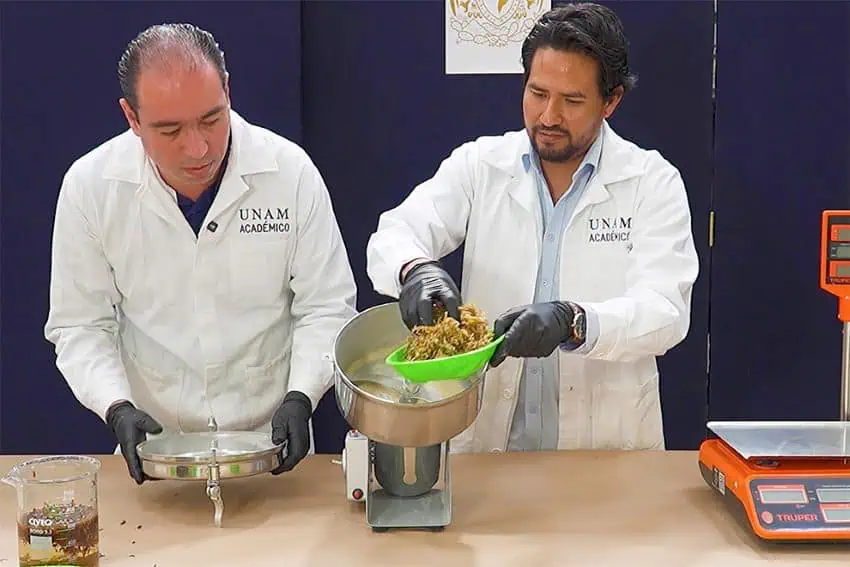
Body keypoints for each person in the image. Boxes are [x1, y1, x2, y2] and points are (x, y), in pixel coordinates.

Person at [366, 3, 699, 454]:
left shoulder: (651, 182)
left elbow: (666, 312)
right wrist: (415, 270)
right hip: (489, 450)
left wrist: (576, 322)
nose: (548, 116)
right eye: (538, 93)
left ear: (612, 100)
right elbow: (396, 232)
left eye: (573, 100)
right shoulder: (480, 165)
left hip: (606, 452)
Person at [44, 23, 358, 483]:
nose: (199, 148)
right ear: (131, 117)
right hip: (156, 453)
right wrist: (115, 406)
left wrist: (303, 395)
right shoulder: (91, 188)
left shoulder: (290, 174)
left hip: (273, 450)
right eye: (170, 130)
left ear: (228, 90)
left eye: (211, 118)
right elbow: (79, 324)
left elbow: (327, 306)